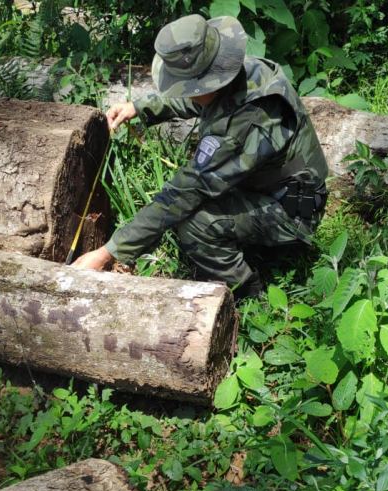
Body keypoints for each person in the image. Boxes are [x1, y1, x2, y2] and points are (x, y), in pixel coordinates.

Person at [72, 13, 329, 300]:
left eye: (188, 87)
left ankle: (248, 296)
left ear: (210, 80)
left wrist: (108, 252)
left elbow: (185, 192)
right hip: (272, 186)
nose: (187, 94)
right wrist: (140, 107)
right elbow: (198, 99)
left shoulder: (245, 121)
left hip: (295, 208)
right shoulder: (237, 73)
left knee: (195, 224)